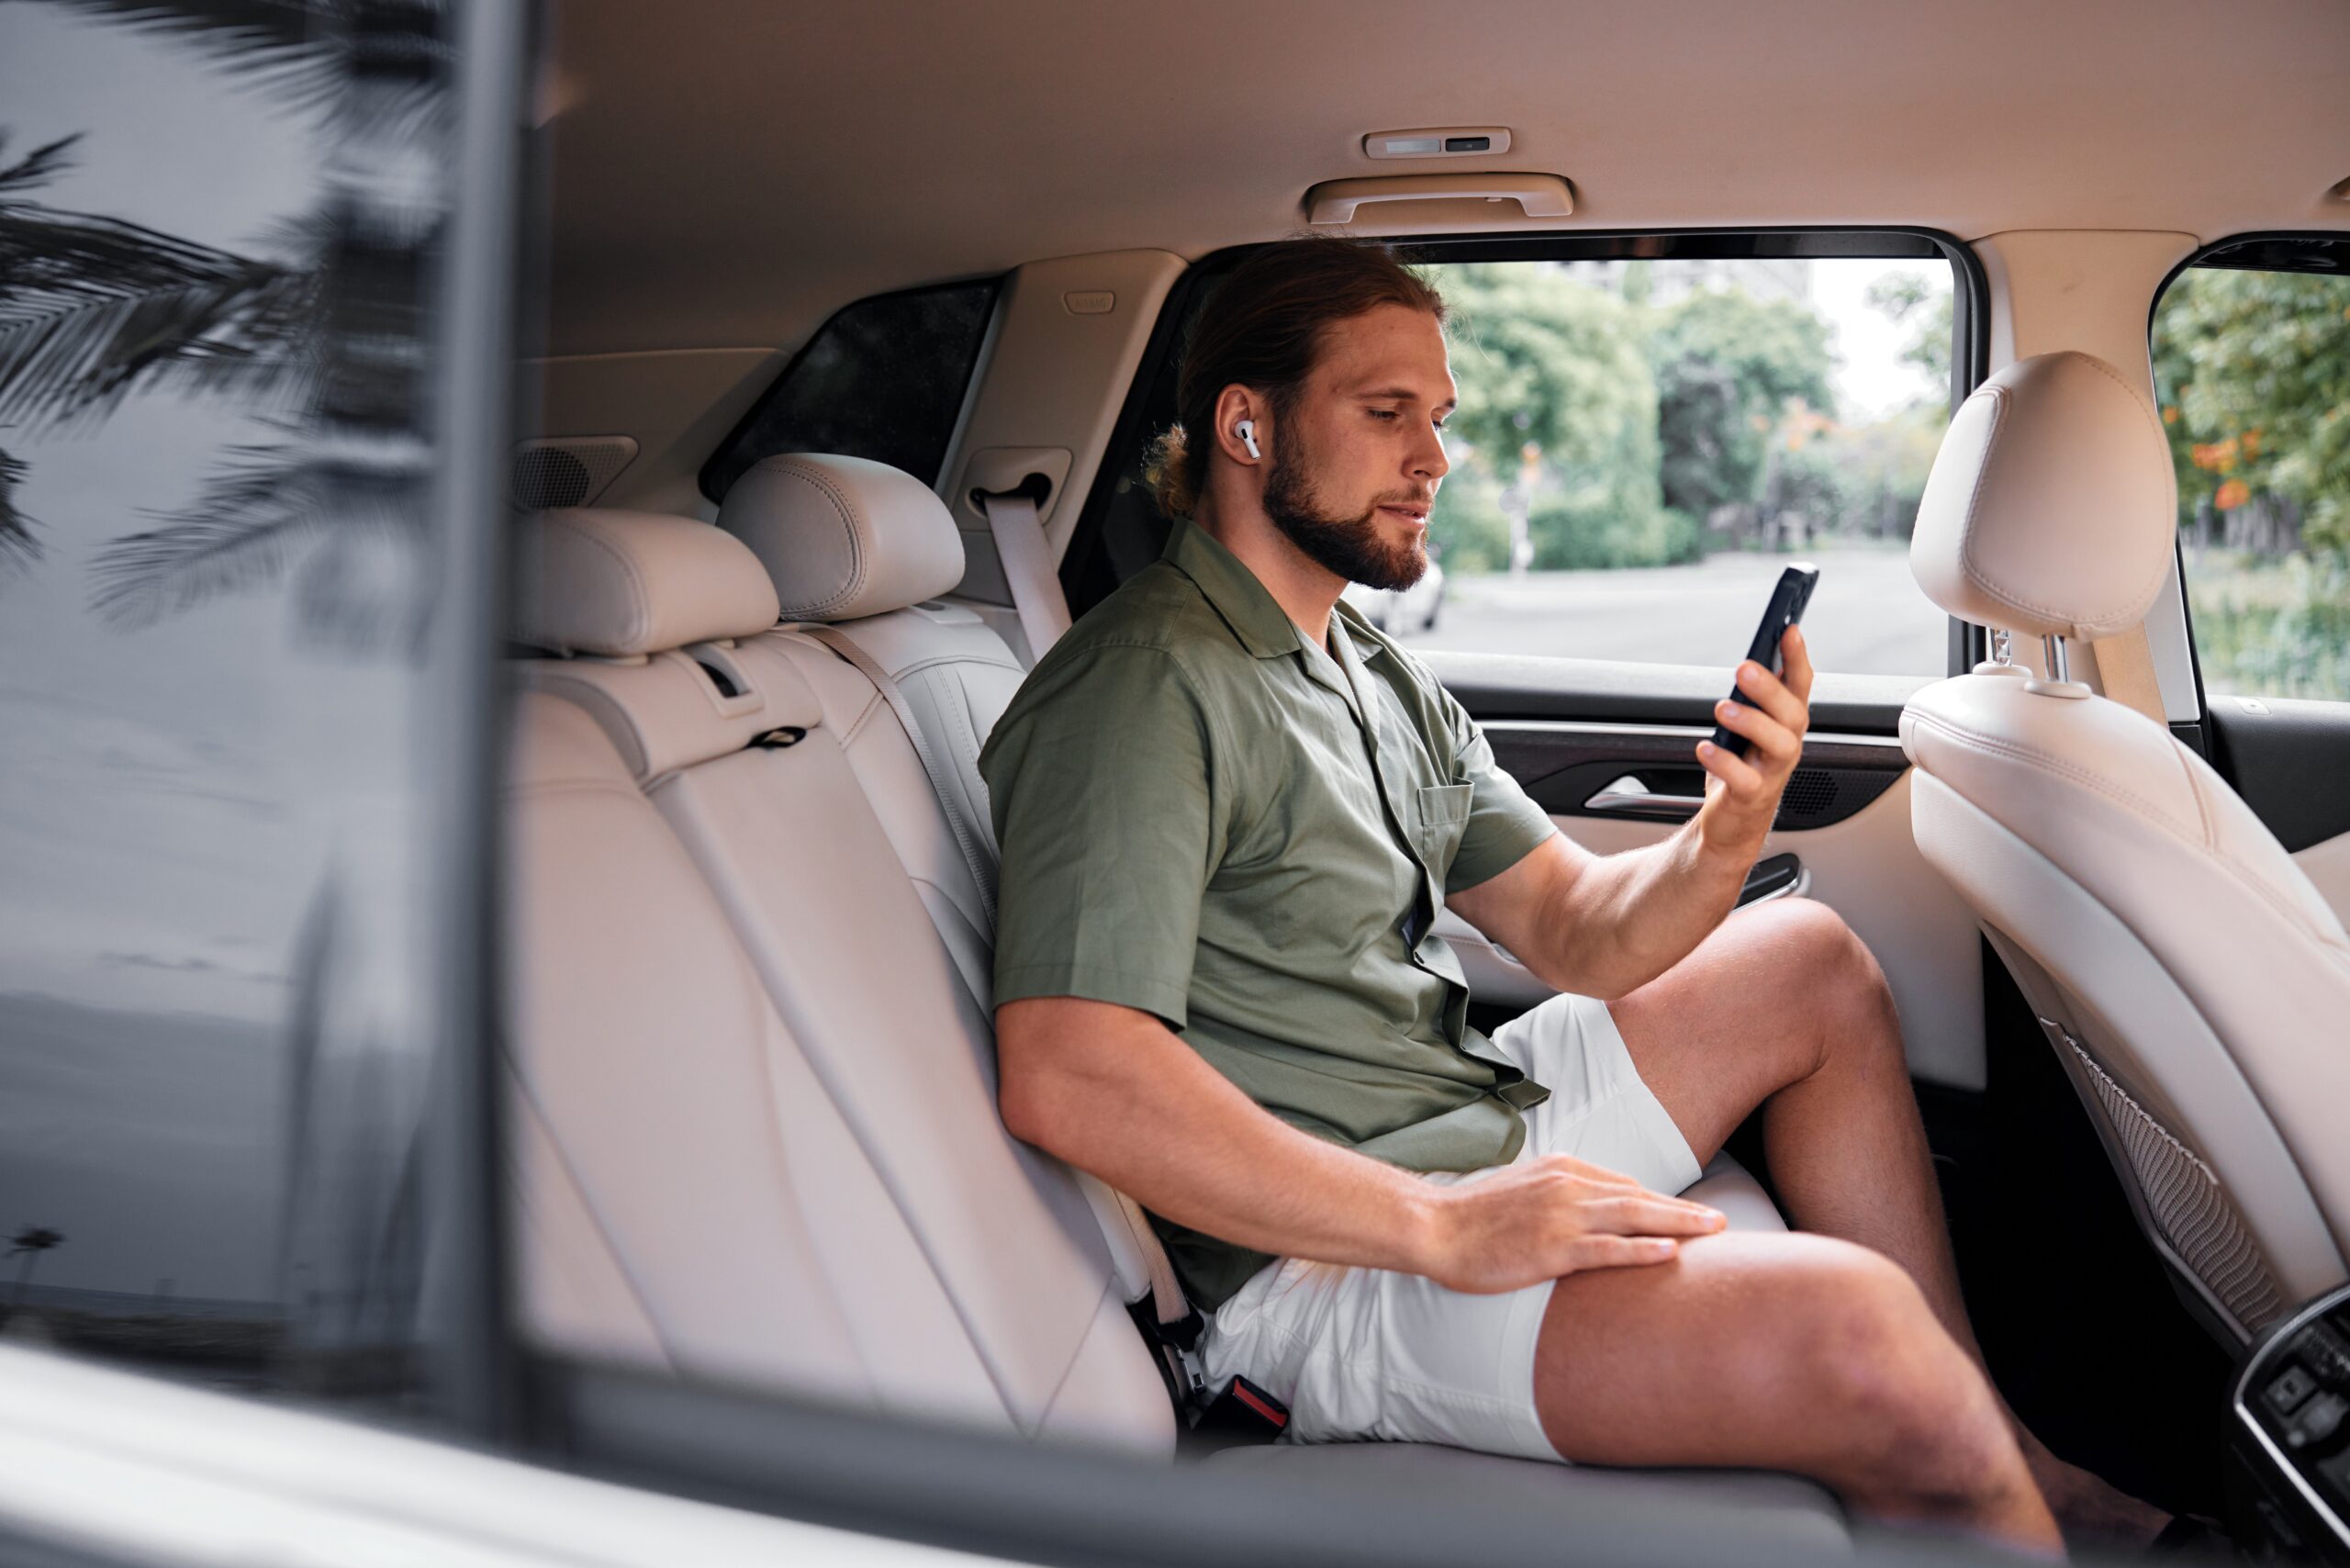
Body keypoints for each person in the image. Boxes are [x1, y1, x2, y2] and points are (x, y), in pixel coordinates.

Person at [979, 236, 2157, 1554]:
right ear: (1245, 426)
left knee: (1808, 959)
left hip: (1464, 1128)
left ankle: (2014, 1459)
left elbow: (1575, 930)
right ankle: (1946, 1450)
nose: (1435, 458)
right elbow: (1070, 1072)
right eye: (1385, 415)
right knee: (1859, 1334)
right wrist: (1440, 1223)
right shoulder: (1140, 690)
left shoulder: (1366, 668)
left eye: (1440, 419)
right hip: (1321, 1262)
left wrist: (1731, 825)